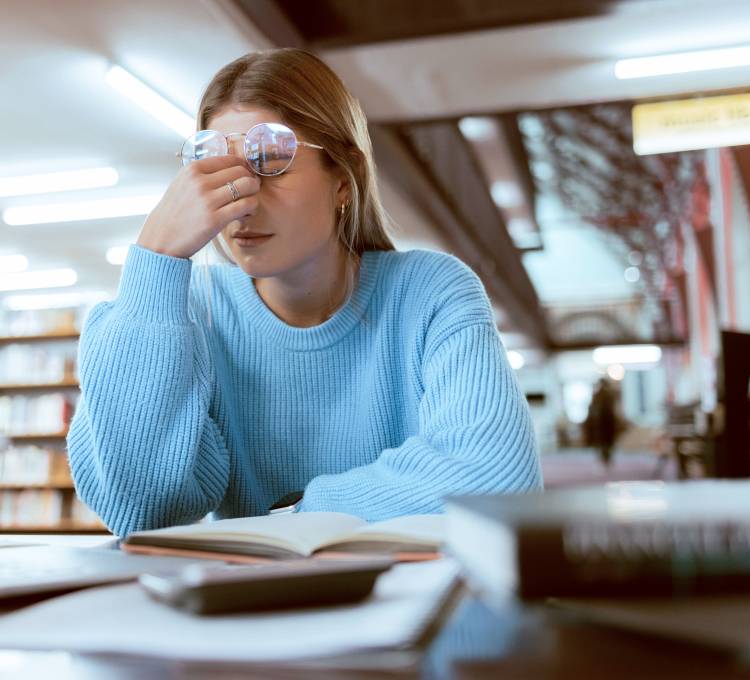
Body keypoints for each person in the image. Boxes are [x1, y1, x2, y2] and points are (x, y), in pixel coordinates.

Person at [67, 48, 542, 536]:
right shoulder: (186, 313)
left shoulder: (430, 293)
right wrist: (156, 259)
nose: (240, 203)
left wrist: (298, 514)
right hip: (249, 604)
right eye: (213, 169)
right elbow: (138, 508)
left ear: (343, 177)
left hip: (408, 602)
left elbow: (497, 480)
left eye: (271, 160)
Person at [585, 377, 621, 467]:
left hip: (605, 422)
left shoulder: (605, 395)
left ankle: (606, 458)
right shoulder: (602, 395)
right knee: (605, 442)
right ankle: (605, 458)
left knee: (605, 441)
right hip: (603, 423)